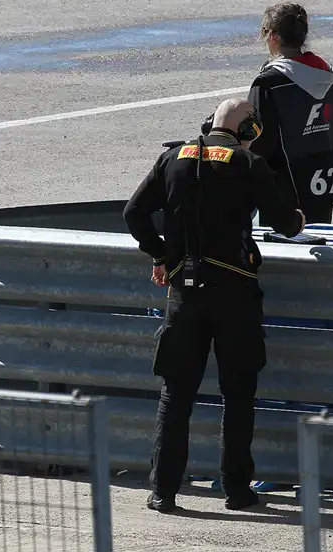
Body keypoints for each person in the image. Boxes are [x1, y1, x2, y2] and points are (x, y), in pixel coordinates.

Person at [122, 98, 305, 513]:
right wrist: (298, 220)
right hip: (235, 294)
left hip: (184, 294)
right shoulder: (247, 163)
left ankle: (163, 491)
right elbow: (284, 222)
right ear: (244, 130)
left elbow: (133, 213)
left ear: (210, 123)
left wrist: (162, 255)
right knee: (238, 393)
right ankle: (237, 491)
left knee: (175, 393)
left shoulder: (172, 157)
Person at [247, 2, 333, 226]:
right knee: (319, 238)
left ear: (272, 36)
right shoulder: (330, 78)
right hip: (322, 178)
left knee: (282, 251)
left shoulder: (269, 82)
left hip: (283, 186)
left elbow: (258, 140)